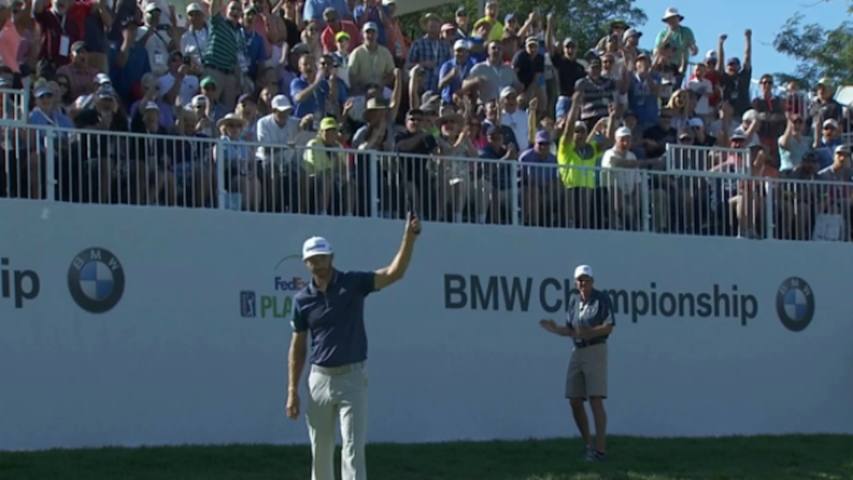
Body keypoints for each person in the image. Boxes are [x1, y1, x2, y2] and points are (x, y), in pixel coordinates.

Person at [286, 216, 421, 480]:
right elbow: (298, 347)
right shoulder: (301, 301)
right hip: (319, 380)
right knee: (321, 450)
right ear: (305, 263)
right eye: (313, 259)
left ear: (332, 257)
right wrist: (292, 390)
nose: (318, 263)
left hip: (352, 378)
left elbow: (394, 273)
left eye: (322, 257)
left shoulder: (353, 282)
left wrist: (409, 238)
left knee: (352, 450)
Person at [539, 264, 615, 463]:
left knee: (595, 399)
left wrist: (590, 332)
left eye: (587, 280)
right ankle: (588, 444)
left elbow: (609, 327)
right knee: (574, 399)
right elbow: (571, 330)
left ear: (592, 282)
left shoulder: (602, 299)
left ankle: (600, 451)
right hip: (577, 350)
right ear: (575, 283)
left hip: (595, 349)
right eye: (580, 280)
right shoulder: (573, 302)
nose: (583, 283)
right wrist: (555, 329)